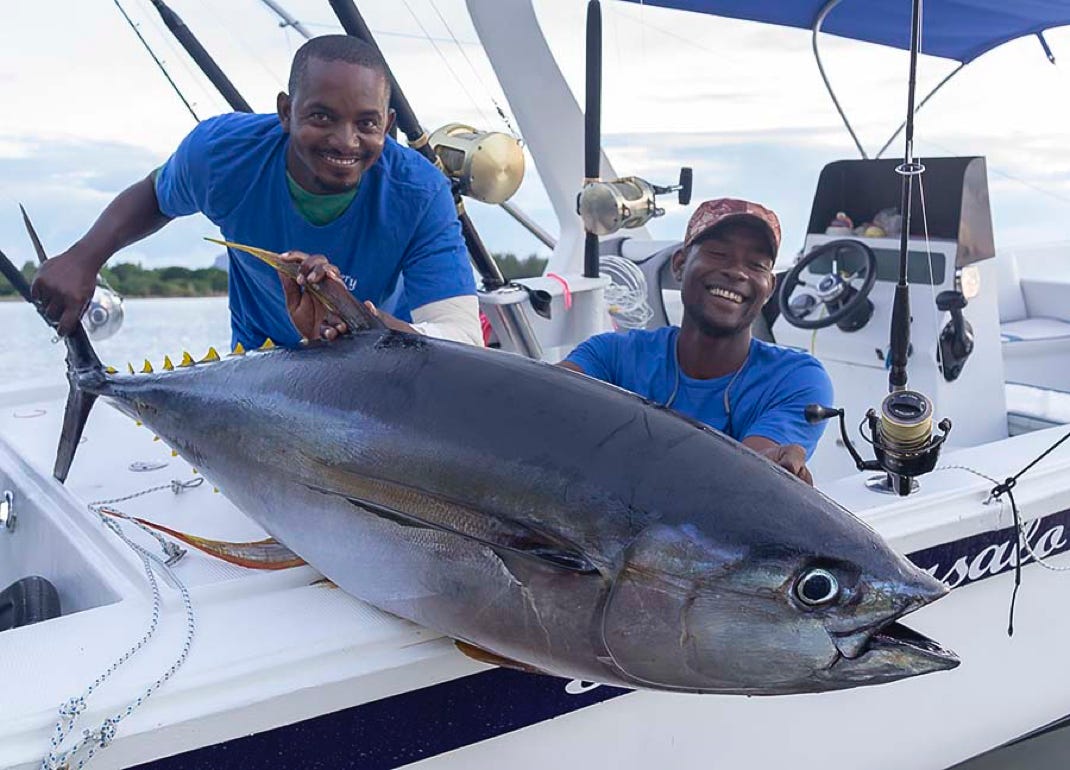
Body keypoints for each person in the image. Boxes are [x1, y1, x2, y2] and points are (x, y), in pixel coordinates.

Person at [30, 35, 482, 349]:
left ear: (388, 125)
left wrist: (368, 327)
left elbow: (462, 335)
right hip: (259, 366)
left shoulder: (420, 192)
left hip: (376, 360)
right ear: (285, 111)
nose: (345, 141)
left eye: (366, 123)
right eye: (321, 117)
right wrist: (84, 257)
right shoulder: (222, 155)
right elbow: (156, 195)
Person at [560, 198, 833, 484]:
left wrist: (772, 468)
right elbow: (542, 406)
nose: (738, 272)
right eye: (718, 253)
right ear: (679, 264)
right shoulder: (609, 356)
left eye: (756, 264)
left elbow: (747, 477)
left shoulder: (796, 379)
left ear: (769, 289)